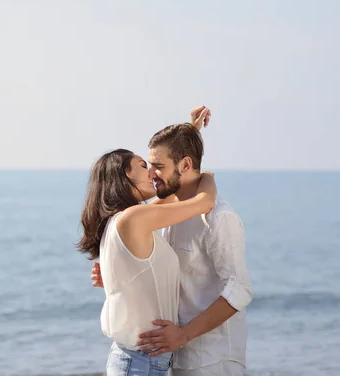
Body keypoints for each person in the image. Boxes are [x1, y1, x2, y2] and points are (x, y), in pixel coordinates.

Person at [91, 108, 254, 376]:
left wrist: (183, 335)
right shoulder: (164, 215)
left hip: (211, 358)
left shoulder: (220, 218)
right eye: (148, 166)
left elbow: (240, 290)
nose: (152, 173)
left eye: (157, 166)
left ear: (186, 165)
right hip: (171, 354)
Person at [77, 137, 218, 375]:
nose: (152, 173)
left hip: (139, 361)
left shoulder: (122, 220)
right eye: (144, 166)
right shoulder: (133, 219)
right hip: (140, 363)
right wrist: (208, 177)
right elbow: (204, 202)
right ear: (124, 176)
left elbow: (170, 192)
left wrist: (190, 134)